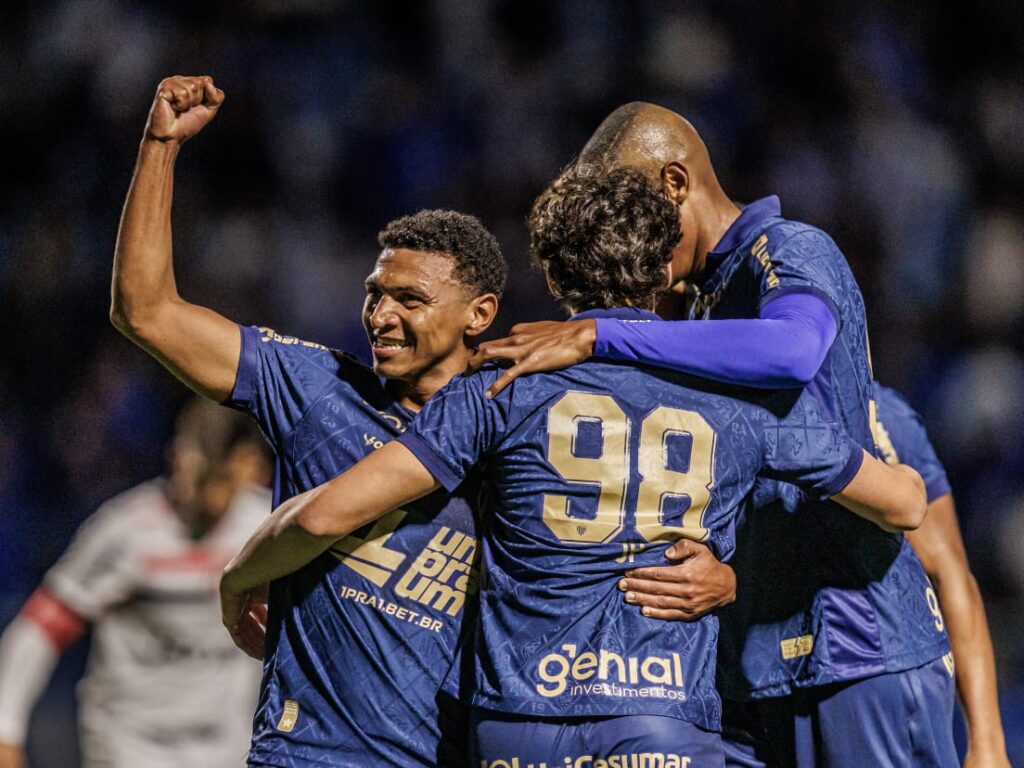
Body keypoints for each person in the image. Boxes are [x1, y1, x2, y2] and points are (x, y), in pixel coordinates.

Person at [219, 165, 926, 767]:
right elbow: (904, 503)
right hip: (659, 715)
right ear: (664, 270)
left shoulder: (501, 383)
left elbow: (325, 516)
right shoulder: (740, 399)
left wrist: (240, 577)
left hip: (518, 723)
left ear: (554, 276)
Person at [471, 103, 958, 766]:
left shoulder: (788, 248)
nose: (627, 237)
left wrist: (604, 334)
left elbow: (793, 350)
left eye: (635, 213)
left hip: (855, 646)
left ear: (675, 183)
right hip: (752, 660)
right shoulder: (702, 303)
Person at [110, 75, 507, 766]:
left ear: (480, 314)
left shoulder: (516, 426)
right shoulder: (315, 386)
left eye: (410, 300)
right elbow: (145, 312)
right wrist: (160, 146)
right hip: (302, 754)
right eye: (375, 294)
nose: (381, 316)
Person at [0, 398, 271, 768]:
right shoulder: (127, 531)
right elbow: (43, 627)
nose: (210, 496)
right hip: (132, 744)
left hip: (229, 744)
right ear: (178, 459)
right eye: (202, 477)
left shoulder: (266, 526)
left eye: (222, 479)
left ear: (250, 468)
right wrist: (6, 727)